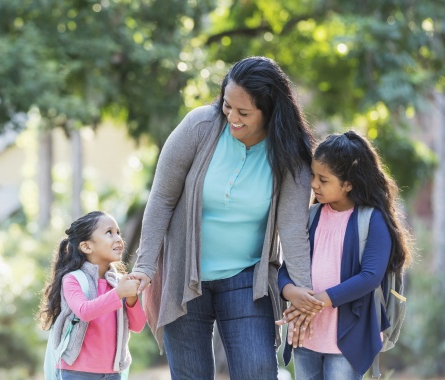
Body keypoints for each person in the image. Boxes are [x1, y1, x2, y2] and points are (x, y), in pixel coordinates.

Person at [129, 56, 321, 379]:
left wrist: (302, 292)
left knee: (258, 370)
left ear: (270, 112)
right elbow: (161, 198)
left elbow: (292, 229)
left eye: (243, 112)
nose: (232, 117)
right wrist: (145, 266)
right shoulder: (200, 126)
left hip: (247, 278)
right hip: (185, 273)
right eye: (227, 106)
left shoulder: (291, 157)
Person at [276, 130, 413, 379]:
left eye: (323, 179)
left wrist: (316, 302)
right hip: (307, 337)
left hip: (347, 341)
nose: (314, 184)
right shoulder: (311, 217)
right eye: (313, 176)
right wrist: (291, 292)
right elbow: (288, 267)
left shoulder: (373, 220)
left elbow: (370, 277)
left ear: (348, 183)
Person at [39, 211, 146, 380]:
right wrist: (119, 293)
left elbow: (138, 326)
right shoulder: (73, 279)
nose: (118, 238)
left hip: (112, 374)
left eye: (118, 232)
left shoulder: (118, 282)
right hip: (76, 372)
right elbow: (84, 311)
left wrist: (131, 299)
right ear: (87, 246)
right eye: (109, 232)